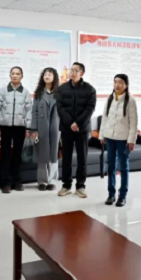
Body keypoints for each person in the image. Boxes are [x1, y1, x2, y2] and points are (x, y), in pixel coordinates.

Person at [55, 62, 96, 198]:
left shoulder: (90, 89)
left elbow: (90, 109)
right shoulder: (62, 88)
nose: (72, 72)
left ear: (81, 73)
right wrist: (70, 123)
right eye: (71, 70)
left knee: (82, 158)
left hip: (82, 129)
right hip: (66, 128)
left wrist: (78, 123)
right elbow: (60, 107)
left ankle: (80, 186)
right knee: (66, 158)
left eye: (75, 70)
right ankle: (66, 185)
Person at [99, 74, 138, 207]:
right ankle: (111, 194)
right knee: (111, 166)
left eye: (120, 82)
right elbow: (105, 118)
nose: (117, 85)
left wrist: (131, 140)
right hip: (110, 137)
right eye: (115, 82)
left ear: (126, 85)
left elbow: (133, 123)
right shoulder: (110, 98)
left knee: (123, 167)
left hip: (123, 139)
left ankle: (122, 195)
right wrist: (102, 135)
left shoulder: (130, 100)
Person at [0, 67, 33, 194]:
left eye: (17, 74)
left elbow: (29, 111)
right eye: (13, 73)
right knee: (5, 155)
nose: (15, 75)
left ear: (22, 76)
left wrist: (28, 127)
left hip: (20, 128)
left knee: (17, 155)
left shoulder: (25, 92)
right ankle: (5, 183)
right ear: (10, 75)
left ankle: (17, 181)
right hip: (5, 127)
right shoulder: (3, 91)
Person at [30, 68, 60, 191]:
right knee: (41, 154)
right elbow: (34, 112)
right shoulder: (38, 93)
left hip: (55, 127)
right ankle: (42, 181)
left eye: (49, 74)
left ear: (54, 77)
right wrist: (34, 129)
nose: (47, 76)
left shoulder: (60, 93)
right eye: (45, 74)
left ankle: (52, 181)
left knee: (53, 154)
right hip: (41, 127)